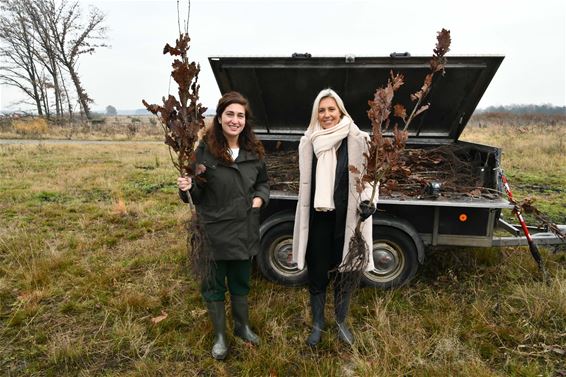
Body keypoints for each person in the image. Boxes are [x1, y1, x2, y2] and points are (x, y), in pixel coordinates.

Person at [177, 91, 269, 360]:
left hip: (244, 228)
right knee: (214, 285)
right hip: (213, 230)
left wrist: (259, 200)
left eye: (240, 115)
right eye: (230, 114)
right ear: (219, 118)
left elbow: (263, 183)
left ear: (245, 121)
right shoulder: (204, 153)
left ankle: (242, 327)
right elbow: (195, 195)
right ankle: (220, 335)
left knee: (241, 281)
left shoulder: (254, 151)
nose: (235, 120)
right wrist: (187, 188)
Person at [292, 88, 377, 347]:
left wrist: (369, 200)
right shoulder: (309, 141)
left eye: (331, 109)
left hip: (348, 218)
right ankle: (318, 323)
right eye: (321, 110)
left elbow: (371, 176)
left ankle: (341, 322)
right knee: (317, 273)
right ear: (315, 114)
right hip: (318, 219)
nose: (326, 114)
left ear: (340, 110)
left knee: (345, 272)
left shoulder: (359, 139)